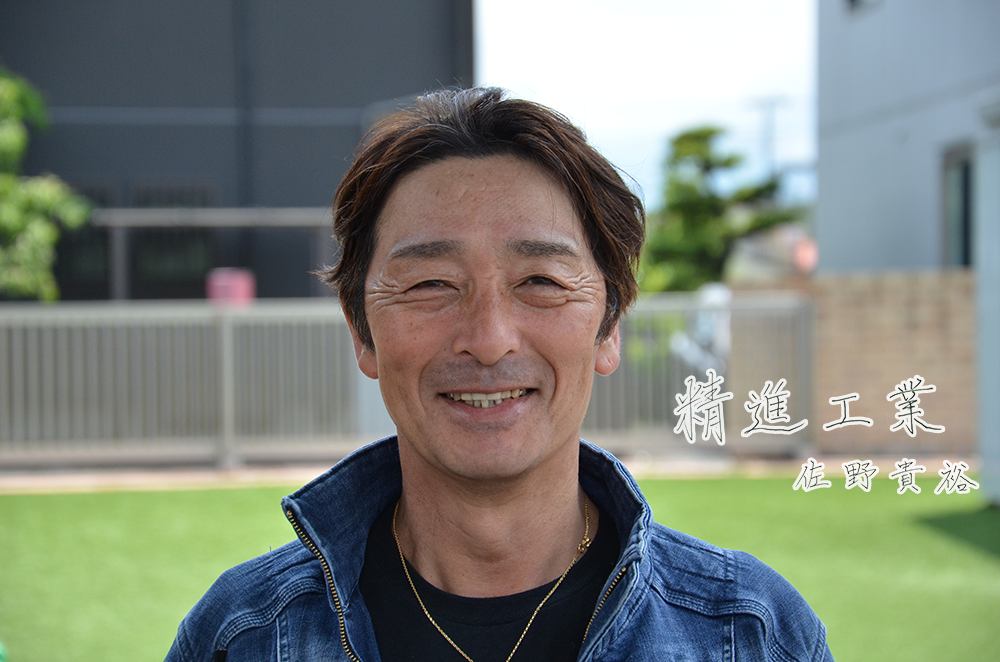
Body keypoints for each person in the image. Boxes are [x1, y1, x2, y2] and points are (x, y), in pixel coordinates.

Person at [165, 87, 834, 661]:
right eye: (430, 283)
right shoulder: (244, 636)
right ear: (361, 330)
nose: (488, 341)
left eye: (540, 280)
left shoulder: (750, 634)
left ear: (609, 325)